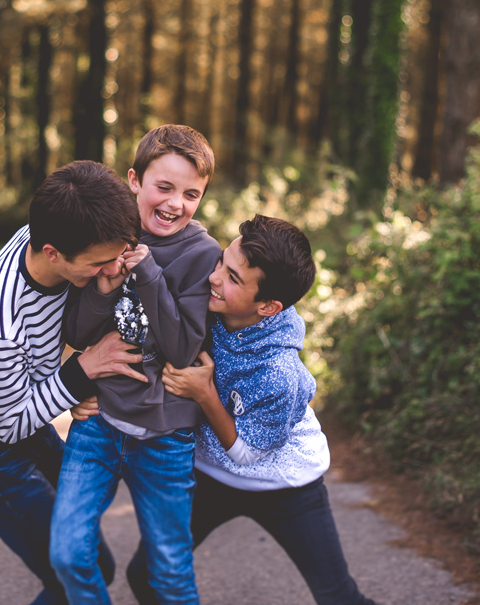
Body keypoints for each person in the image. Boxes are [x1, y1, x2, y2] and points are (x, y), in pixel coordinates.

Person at [126, 214, 382, 605]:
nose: (214, 278)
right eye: (221, 262)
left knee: (338, 597)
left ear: (267, 306)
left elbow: (246, 453)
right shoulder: (204, 304)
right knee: (145, 576)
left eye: (232, 278)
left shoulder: (281, 373)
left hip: (285, 486)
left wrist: (205, 394)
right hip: (209, 476)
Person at [0, 160, 151, 605]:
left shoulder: (62, 225)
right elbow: (9, 425)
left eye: (117, 256)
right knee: (72, 578)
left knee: (91, 563)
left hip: (27, 422)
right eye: (99, 263)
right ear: (53, 254)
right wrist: (81, 373)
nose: (113, 270)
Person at [49, 125, 223, 605]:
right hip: (98, 425)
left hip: (165, 437)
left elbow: (182, 350)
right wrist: (105, 290)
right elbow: (77, 334)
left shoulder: (202, 254)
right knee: (67, 553)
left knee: (170, 572)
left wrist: (147, 274)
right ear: (134, 181)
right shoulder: (108, 236)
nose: (175, 204)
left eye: (191, 194)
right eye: (164, 187)